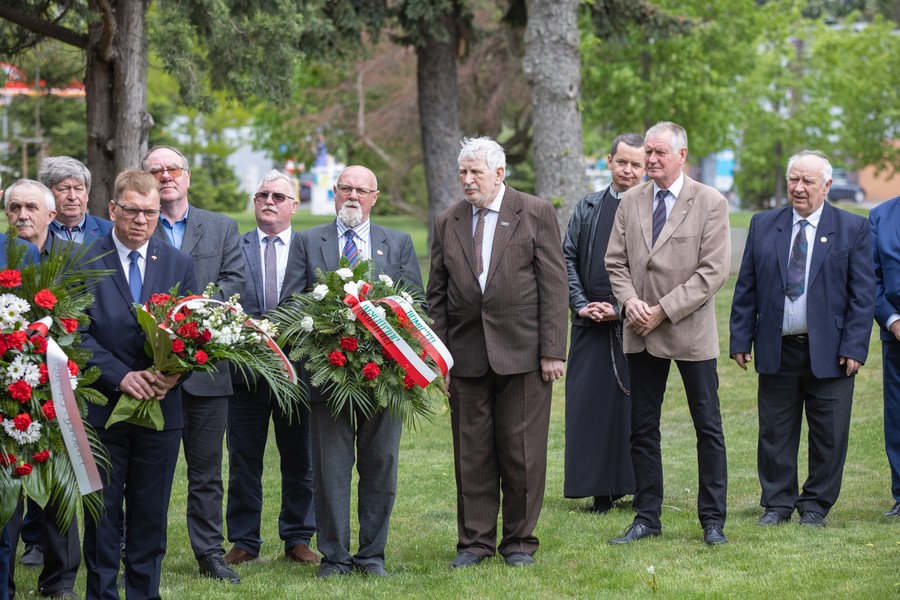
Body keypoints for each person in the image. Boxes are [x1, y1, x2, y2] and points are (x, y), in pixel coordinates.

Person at [427, 136, 568, 568]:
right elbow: (437, 295)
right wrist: (439, 357)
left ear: (499, 174)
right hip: (465, 356)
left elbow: (553, 284)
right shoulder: (447, 220)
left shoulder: (535, 212)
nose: (468, 180)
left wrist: (552, 351)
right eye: (463, 173)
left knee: (521, 450)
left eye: (476, 173)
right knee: (471, 453)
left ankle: (520, 542)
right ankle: (474, 542)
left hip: (524, 352)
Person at [731, 150, 875, 527]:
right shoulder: (763, 224)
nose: (798, 187)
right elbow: (747, 285)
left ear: (826, 186)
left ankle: (815, 505)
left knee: (829, 434)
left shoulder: (852, 229)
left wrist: (855, 347)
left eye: (807, 181)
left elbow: (863, 295)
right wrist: (739, 339)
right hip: (777, 347)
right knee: (775, 431)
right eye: (793, 179)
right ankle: (777, 504)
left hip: (831, 351)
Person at [605, 121, 731, 546]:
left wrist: (663, 309)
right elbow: (615, 263)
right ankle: (646, 517)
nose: (651, 160)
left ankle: (712, 521)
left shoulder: (710, 201)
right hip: (640, 330)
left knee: (707, 426)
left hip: (690, 330)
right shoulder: (631, 201)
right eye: (648, 153)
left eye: (660, 153)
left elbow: (712, 272)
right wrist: (630, 302)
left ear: (682, 155)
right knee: (642, 427)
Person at [300, 165, 423, 579]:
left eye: (361, 190)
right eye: (345, 188)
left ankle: (372, 555)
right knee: (330, 468)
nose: (353, 195)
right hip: (329, 376)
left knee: (381, 463)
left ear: (375, 197)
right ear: (335, 193)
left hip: (385, 375)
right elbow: (292, 304)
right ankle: (334, 557)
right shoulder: (307, 240)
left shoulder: (399, 242)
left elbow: (415, 305)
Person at [79, 169, 197, 599]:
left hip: (161, 411)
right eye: (132, 211)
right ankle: (102, 592)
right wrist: (120, 375)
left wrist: (173, 372)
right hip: (102, 412)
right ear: (113, 209)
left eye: (150, 212)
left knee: (150, 514)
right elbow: (75, 334)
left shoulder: (177, 262)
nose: (142, 220)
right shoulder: (84, 261)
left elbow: (195, 332)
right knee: (103, 512)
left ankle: (145, 593)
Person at [141, 146, 245, 583]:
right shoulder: (135, 226)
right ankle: (142, 551)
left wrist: (190, 315)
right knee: (147, 470)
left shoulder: (221, 227)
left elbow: (237, 283)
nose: (166, 176)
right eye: (156, 170)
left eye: (173, 169)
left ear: (187, 176)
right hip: (152, 373)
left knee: (206, 472)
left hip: (206, 371)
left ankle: (209, 553)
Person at [224, 170, 318, 568]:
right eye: (262, 194)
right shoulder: (237, 246)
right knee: (244, 458)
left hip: (296, 373)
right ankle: (245, 540)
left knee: (300, 458)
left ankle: (297, 538)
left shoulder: (310, 247)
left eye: (279, 196)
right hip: (245, 374)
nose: (269, 201)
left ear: (293, 205)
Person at [3, 180, 81, 599]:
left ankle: (59, 581)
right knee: (8, 486)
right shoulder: (2, 252)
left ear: (52, 215)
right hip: (9, 389)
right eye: (13, 207)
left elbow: (82, 319)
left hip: (58, 388)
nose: (21, 215)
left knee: (56, 488)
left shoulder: (71, 260)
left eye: (31, 207)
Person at [563, 133, 645, 513]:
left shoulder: (648, 209)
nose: (628, 170)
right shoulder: (588, 206)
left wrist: (620, 307)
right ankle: (597, 490)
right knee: (589, 406)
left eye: (636, 164)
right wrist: (580, 304)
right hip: (587, 324)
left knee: (631, 408)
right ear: (609, 162)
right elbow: (567, 258)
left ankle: (633, 484)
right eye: (622, 162)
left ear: (645, 168)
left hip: (632, 324)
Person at [871, 194, 900, 518]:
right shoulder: (880, 216)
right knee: (897, 418)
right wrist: (893, 321)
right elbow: (872, 277)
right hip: (896, 336)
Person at [38, 156, 112, 245]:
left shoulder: (110, 232)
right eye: (64, 189)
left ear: (87, 194)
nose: (72, 197)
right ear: (48, 194)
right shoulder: (35, 232)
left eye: (78, 189)